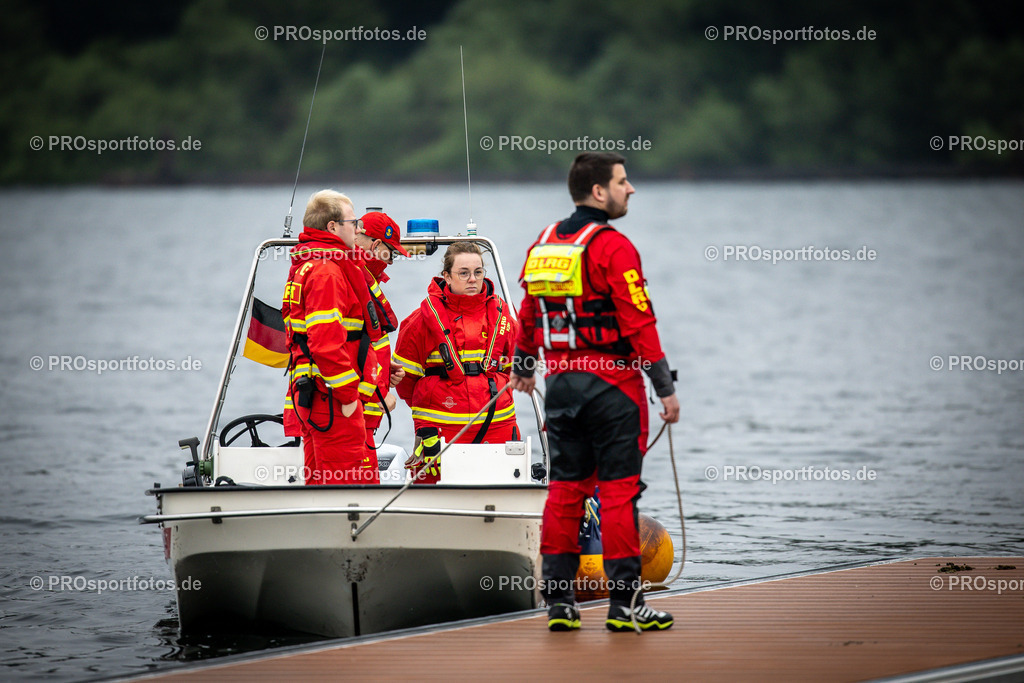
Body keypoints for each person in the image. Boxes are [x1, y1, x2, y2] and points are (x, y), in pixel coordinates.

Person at [510, 152, 680, 632]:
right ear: (599, 192)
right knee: (619, 494)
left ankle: (559, 604)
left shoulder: (542, 244)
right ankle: (625, 606)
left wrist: (524, 365)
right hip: (613, 387)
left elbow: (529, 312)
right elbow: (639, 320)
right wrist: (664, 387)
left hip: (561, 384)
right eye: (623, 182)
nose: (632, 190)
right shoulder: (613, 247)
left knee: (565, 491)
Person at [394, 242, 520, 482]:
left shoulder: (505, 317)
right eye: (463, 273)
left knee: (502, 489)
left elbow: (518, 370)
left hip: (497, 425)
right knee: (432, 500)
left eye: (478, 272)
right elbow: (404, 381)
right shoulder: (420, 321)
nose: (472, 279)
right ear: (447, 277)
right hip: (439, 431)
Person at [281, 190, 382, 485]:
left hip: (319, 394)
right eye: (354, 222)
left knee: (321, 485)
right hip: (334, 400)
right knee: (350, 486)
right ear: (333, 227)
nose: (359, 229)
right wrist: (349, 395)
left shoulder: (309, 265)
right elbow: (325, 343)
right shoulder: (328, 272)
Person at [352, 211, 410, 473]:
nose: (392, 262)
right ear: (376, 246)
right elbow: (343, 347)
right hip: (353, 412)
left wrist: (387, 369)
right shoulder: (353, 277)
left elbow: (365, 343)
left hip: (360, 413)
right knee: (356, 486)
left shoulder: (362, 276)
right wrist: (379, 390)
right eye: (392, 254)